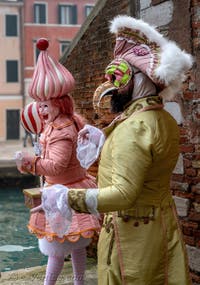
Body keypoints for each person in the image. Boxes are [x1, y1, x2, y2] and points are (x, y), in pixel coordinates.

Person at [27, 16, 193, 285]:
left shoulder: (134, 128)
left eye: (117, 75)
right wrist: (103, 137)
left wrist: (65, 198)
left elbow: (124, 194)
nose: (109, 83)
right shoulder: (161, 118)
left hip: (132, 235)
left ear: (139, 79)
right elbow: (145, 160)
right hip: (160, 225)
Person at [16, 38, 100, 285]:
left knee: (55, 246)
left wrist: (31, 162)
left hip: (64, 194)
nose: (40, 110)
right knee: (76, 244)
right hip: (73, 187)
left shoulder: (63, 130)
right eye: (39, 105)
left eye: (44, 105)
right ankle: (79, 282)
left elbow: (56, 166)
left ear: (58, 103)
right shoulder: (70, 121)